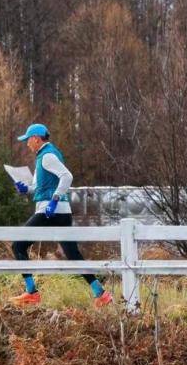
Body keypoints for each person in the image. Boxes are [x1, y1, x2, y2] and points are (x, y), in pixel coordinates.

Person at [10, 123, 113, 307]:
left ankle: (31, 293)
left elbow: (67, 177)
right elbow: (40, 186)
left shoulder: (47, 155)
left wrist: (54, 199)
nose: (27, 144)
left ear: (36, 138)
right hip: (61, 211)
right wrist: (26, 188)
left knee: (18, 245)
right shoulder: (47, 155)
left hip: (50, 210)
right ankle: (101, 293)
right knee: (72, 252)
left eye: (28, 140)